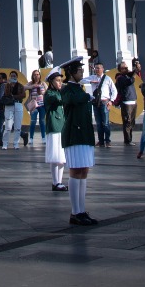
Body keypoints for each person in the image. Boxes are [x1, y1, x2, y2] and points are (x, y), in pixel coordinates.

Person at [49, 56, 98, 225]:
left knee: (84, 172)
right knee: (76, 171)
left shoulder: (80, 88)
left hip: (84, 134)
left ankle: (82, 210)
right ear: (71, 73)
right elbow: (71, 100)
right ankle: (75, 211)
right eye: (79, 70)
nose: (82, 73)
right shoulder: (67, 89)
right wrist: (88, 97)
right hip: (74, 134)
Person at [43, 65, 69, 191]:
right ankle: (55, 182)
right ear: (51, 82)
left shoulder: (59, 92)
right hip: (54, 127)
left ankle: (59, 181)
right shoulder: (49, 94)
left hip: (62, 127)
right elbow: (57, 99)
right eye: (57, 81)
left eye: (60, 80)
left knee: (61, 158)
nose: (60, 83)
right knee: (55, 156)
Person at [86, 62, 117, 147]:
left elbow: (114, 90)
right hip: (95, 102)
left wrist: (111, 101)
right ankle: (101, 141)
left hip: (104, 102)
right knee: (98, 123)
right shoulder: (92, 77)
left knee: (105, 123)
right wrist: (91, 81)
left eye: (98, 68)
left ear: (102, 69)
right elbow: (81, 80)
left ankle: (107, 140)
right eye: (95, 68)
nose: (97, 70)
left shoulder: (107, 78)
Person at [0, 70, 27, 149]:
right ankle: (5, 143)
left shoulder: (20, 85)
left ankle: (16, 143)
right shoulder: (7, 85)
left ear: (17, 77)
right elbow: (6, 94)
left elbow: (23, 95)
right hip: (9, 105)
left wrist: (14, 97)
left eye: (14, 76)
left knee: (17, 126)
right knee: (8, 126)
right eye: (11, 76)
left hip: (18, 104)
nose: (13, 77)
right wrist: (9, 85)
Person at [115, 64, 137, 148]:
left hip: (133, 101)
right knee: (127, 121)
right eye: (125, 68)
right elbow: (129, 82)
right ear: (120, 70)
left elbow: (132, 73)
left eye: (127, 67)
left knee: (132, 122)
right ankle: (128, 140)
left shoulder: (127, 75)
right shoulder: (120, 78)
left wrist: (136, 69)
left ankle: (129, 139)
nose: (127, 69)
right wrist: (134, 76)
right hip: (126, 102)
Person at [25, 70, 46, 142]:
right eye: (35, 74)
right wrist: (32, 86)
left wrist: (42, 92)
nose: (36, 76)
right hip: (34, 105)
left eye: (37, 74)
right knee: (33, 121)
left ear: (40, 75)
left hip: (42, 105)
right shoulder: (30, 83)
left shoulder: (43, 83)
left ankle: (43, 137)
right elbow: (24, 87)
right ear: (32, 76)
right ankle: (31, 138)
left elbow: (47, 91)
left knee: (42, 121)